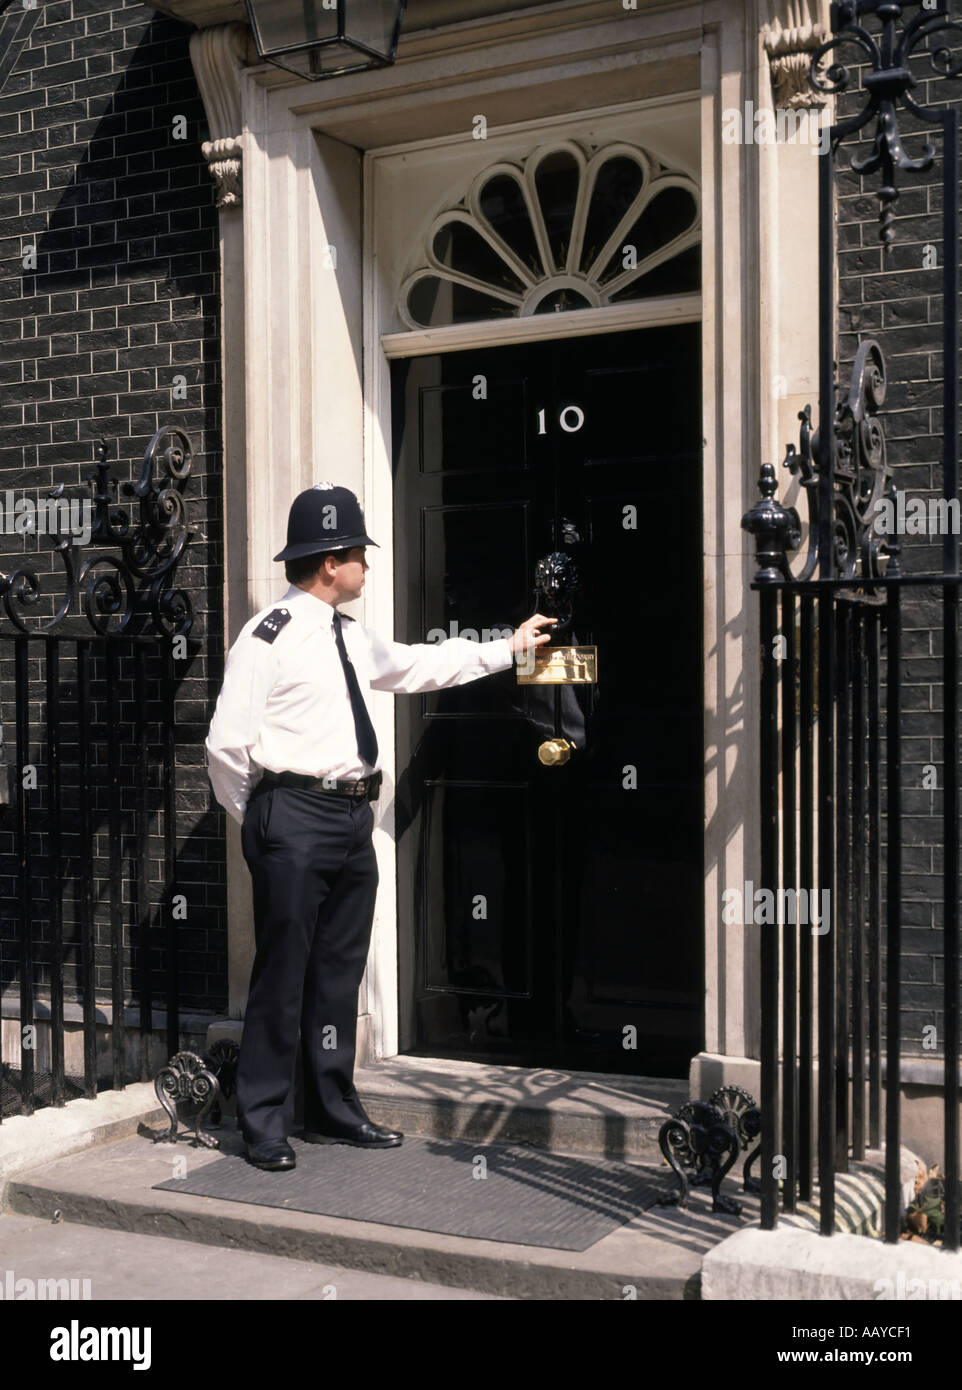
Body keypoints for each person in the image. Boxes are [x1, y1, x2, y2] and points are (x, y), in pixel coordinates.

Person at [205, 484, 556, 1171]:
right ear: (330, 562)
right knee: (281, 976)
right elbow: (225, 746)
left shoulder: (349, 636)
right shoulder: (267, 635)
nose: (368, 564)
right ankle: (264, 1121)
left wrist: (506, 650)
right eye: (360, 553)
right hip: (293, 816)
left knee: (339, 975)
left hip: (349, 818)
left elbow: (420, 666)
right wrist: (266, 820)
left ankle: (332, 1109)